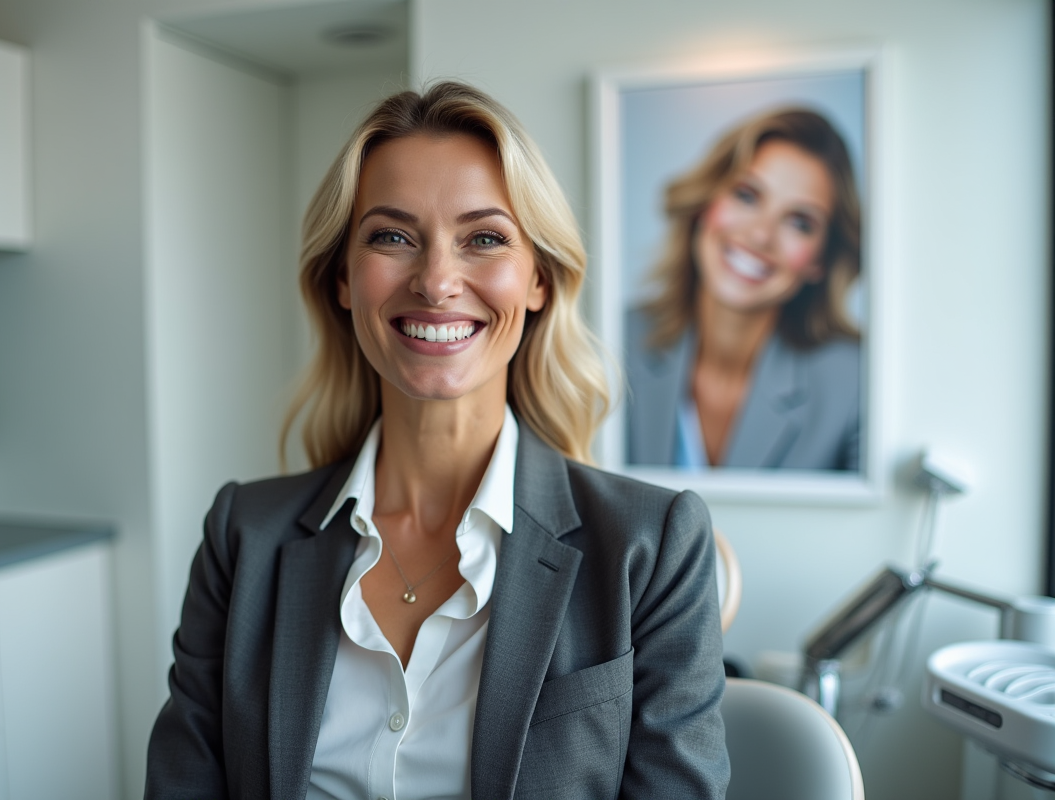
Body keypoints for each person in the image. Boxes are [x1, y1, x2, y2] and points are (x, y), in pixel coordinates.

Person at [146, 81, 729, 799]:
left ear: (538, 279)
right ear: (342, 280)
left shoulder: (652, 545)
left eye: (483, 238)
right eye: (392, 237)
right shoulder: (244, 536)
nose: (436, 281)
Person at [626, 108, 863, 471]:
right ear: (704, 203)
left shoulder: (855, 385)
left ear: (820, 259)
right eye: (747, 195)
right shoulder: (611, 344)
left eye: (800, 222)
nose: (760, 235)